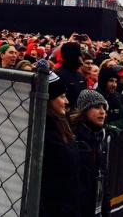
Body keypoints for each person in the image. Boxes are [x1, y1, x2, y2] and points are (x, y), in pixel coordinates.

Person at [40, 71, 81, 217]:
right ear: (49, 99)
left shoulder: (61, 123)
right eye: (62, 96)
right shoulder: (46, 132)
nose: (67, 101)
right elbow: (69, 160)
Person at [72, 89, 110, 217]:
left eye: (104, 108)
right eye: (96, 107)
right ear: (84, 111)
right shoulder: (75, 139)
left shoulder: (101, 138)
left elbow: (104, 177)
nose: (102, 112)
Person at [55, 42, 87, 106]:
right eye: (79, 55)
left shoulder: (81, 76)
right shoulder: (56, 76)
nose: (82, 57)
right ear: (72, 56)